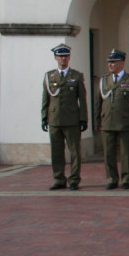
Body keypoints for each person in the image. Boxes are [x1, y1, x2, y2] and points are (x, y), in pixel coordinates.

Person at [94, 48, 129, 190]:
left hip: (125, 122)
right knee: (109, 153)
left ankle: (127, 178)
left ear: (122, 63)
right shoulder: (103, 80)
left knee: (126, 153)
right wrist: (97, 121)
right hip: (107, 121)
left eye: (114, 62)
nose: (110, 65)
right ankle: (112, 178)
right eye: (109, 62)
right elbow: (98, 103)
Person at [42, 43, 87, 191]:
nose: (63, 59)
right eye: (60, 56)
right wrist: (44, 117)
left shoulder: (76, 76)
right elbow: (45, 99)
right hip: (54, 119)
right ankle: (59, 178)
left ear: (69, 57)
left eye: (66, 56)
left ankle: (74, 179)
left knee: (74, 152)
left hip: (72, 119)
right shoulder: (49, 76)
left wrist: (83, 119)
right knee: (56, 151)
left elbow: (82, 99)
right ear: (56, 58)